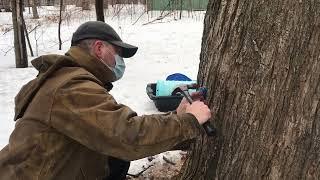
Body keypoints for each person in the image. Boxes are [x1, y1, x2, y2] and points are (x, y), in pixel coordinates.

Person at [0, 21, 211, 180]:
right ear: (99, 48)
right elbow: (127, 134)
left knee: (116, 160)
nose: (120, 61)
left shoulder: (69, 78)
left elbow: (111, 129)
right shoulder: (71, 87)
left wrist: (178, 117)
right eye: (118, 52)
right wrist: (188, 122)